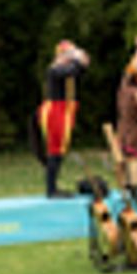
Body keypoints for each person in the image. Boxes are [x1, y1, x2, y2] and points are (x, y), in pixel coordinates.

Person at [38, 40, 90, 198]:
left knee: (59, 150)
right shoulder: (55, 69)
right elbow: (72, 70)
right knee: (55, 150)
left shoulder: (64, 68)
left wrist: (81, 59)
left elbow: (80, 69)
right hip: (55, 110)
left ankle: (53, 187)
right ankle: (51, 189)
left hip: (64, 109)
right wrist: (78, 58)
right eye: (68, 54)